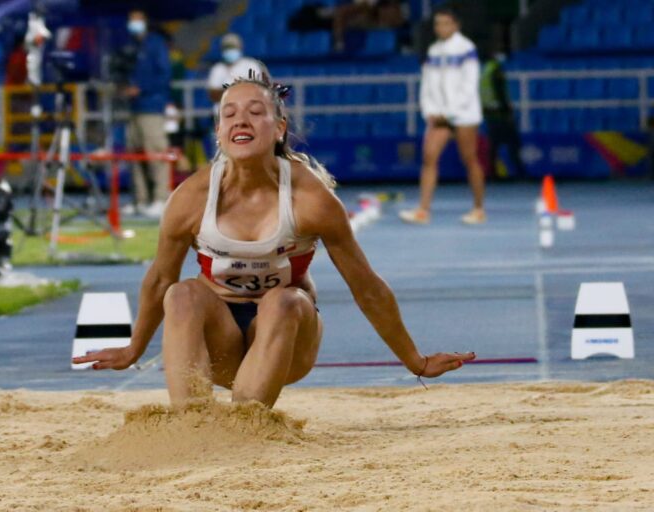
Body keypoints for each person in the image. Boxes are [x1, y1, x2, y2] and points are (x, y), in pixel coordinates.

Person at [73, 73, 475, 408]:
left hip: (288, 339)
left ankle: (248, 421)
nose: (240, 121)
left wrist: (415, 360)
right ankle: (191, 425)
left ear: (279, 127)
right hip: (220, 342)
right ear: (218, 132)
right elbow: (160, 279)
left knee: (282, 299)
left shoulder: (310, 199)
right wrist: (133, 349)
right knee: (180, 294)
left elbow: (366, 286)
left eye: (255, 112)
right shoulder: (192, 198)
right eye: (228, 113)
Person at [399, 7, 486, 225]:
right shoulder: (434, 51)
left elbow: (469, 86)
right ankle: (423, 210)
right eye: (438, 23)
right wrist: (429, 111)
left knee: (470, 159)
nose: (441, 27)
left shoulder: (467, 49)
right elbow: (426, 86)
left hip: (464, 115)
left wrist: (450, 113)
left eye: (446, 23)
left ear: (456, 25)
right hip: (438, 117)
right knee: (429, 157)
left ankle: (478, 209)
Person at [122, 9, 172, 219]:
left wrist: (141, 88)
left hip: (152, 107)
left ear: (145, 22)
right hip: (133, 108)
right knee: (134, 153)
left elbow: (164, 75)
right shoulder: (131, 46)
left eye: (137, 20)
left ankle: (161, 199)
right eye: (130, 20)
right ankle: (140, 200)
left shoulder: (156, 44)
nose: (133, 24)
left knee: (155, 153)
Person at [480, 50, 526, 179]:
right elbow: (500, 92)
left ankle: (492, 172)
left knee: (494, 145)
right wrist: (508, 111)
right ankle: (519, 171)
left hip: (489, 112)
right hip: (500, 113)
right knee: (513, 142)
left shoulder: (484, 71)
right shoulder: (495, 69)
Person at [207, 33, 267, 108]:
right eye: (227, 48)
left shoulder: (251, 65)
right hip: (222, 113)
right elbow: (213, 95)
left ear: (240, 48)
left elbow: (258, 90)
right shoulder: (217, 69)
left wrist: (228, 91)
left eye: (233, 48)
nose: (230, 50)